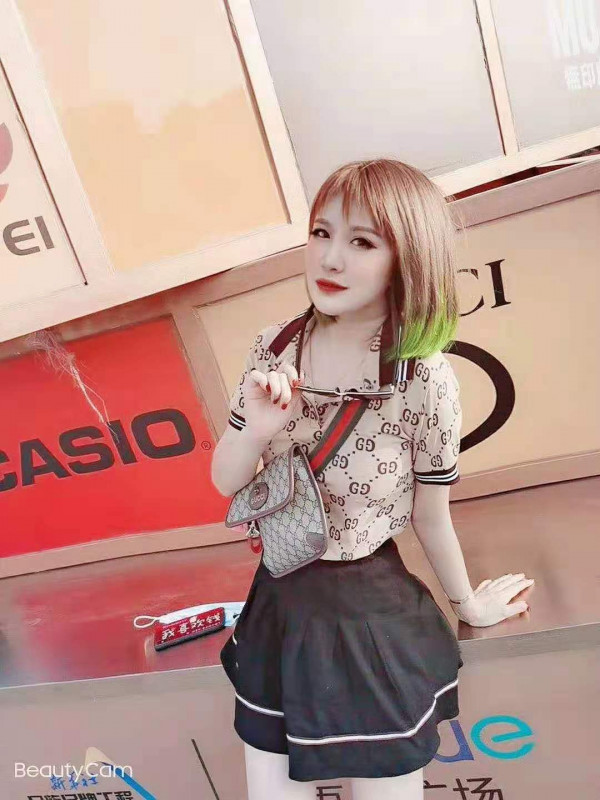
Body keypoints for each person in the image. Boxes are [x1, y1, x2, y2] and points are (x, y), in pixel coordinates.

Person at [211, 159, 535, 800]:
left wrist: (468, 605)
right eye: (321, 232)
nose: (330, 258)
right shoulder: (275, 346)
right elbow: (227, 481)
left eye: (361, 241)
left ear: (407, 258)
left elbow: (430, 513)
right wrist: (254, 429)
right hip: (279, 599)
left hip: (368, 612)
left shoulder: (423, 378)